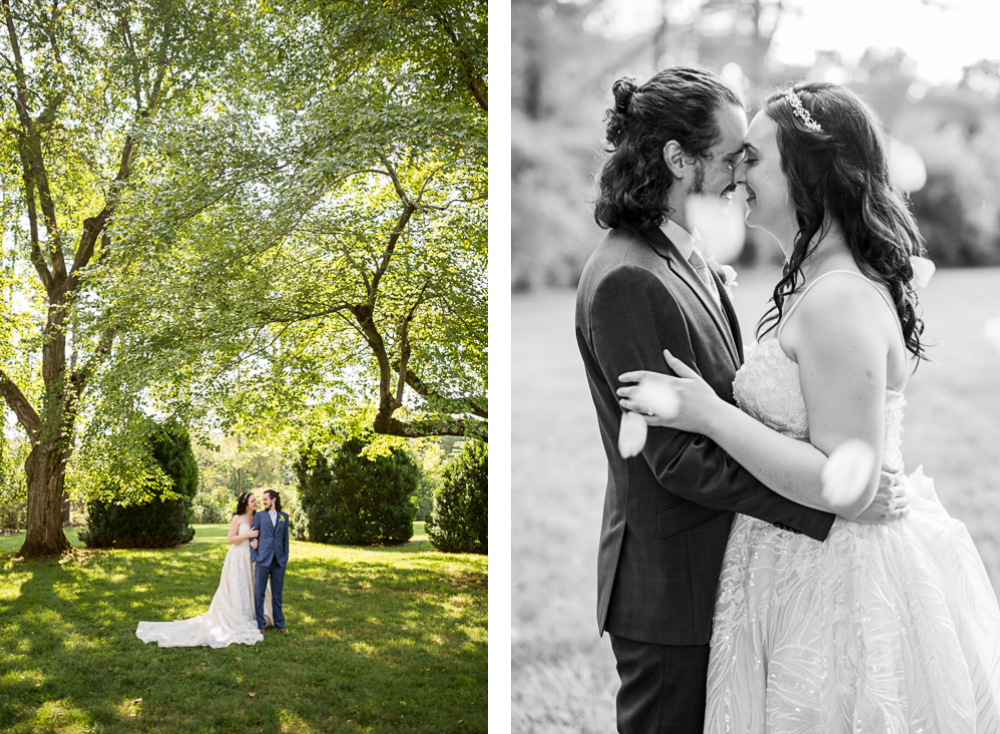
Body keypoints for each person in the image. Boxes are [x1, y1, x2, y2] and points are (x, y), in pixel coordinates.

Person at [617, 82, 1000, 732]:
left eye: (754, 157)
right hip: (791, 561)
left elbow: (847, 487)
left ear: (809, 173)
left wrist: (712, 414)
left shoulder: (838, 300)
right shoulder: (818, 280)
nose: (738, 173)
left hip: (840, 583)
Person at [575, 67, 902, 733]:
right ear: (677, 158)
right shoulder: (629, 280)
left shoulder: (681, 257)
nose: (741, 176)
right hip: (673, 589)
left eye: (751, 160)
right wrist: (831, 507)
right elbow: (677, 460)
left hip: (729, 575)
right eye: (731, 158)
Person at [136, 492, 274, 648]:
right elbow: (230, 539)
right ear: (245, 503)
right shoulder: (238, 518)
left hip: (252, 557)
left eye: (256, 500)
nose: (256, 502)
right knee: (239, 586)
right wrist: (248, 535)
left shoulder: (257, 518)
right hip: (238, 558)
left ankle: (257, 616)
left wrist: (256, 542)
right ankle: (240, 616)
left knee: (254, 585)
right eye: (253, 501)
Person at [250, 489, 289, 634]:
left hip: (279, 561)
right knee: (260, 593)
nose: (263, 502)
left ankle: (280, 622)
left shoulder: (284, 517)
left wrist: (285, 557)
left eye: (265, 499)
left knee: (277, 594)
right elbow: (252, 537)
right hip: (262, 559)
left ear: (273, 499)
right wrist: (254, 556)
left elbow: (286, 540)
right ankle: (261, 624)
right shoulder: (259, 516)